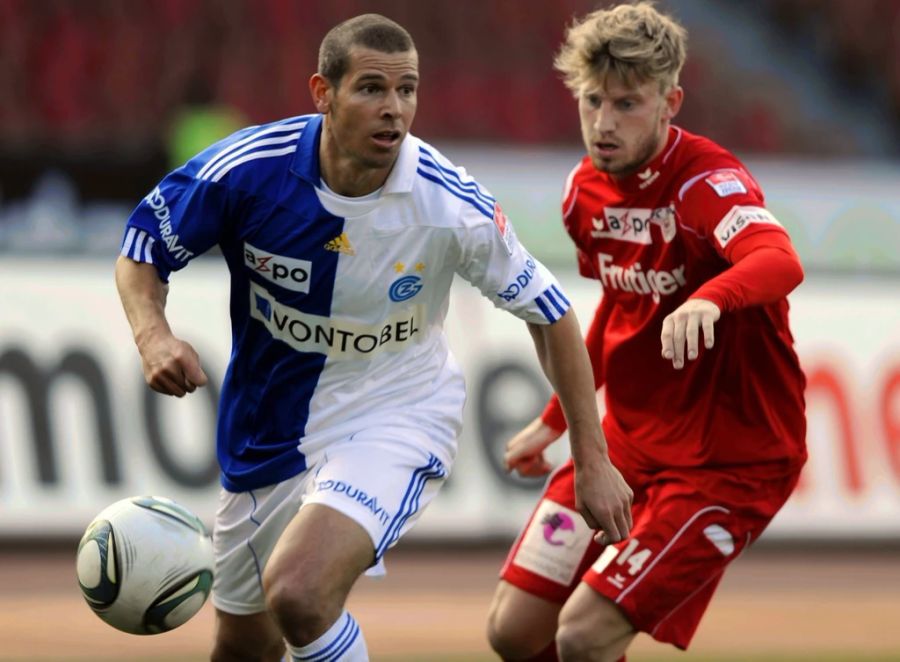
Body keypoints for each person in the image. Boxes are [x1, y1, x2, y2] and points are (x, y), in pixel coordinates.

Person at [114, 13, 632, 662]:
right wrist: (152, 337)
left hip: (394, 413)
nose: (395, 109)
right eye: (371, 89)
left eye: (407, 90)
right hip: (266, 430)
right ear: (321, 94)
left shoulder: (448, 204)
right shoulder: (250, 170)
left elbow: (551, 313)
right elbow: (141, 249)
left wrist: (592, 457)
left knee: (299, 593)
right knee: (243, 648)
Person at [487, 3, 807, 661]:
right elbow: (621, 306)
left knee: (582, 634)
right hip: (627, 448)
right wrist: (554, 421)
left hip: (729, 465)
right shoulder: (585, 194)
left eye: (627, 104)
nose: (604, 124)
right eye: (592, 101)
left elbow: (779, 259)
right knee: (514, 631)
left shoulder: (705, 185)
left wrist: (711, 300)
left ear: (670, 103)